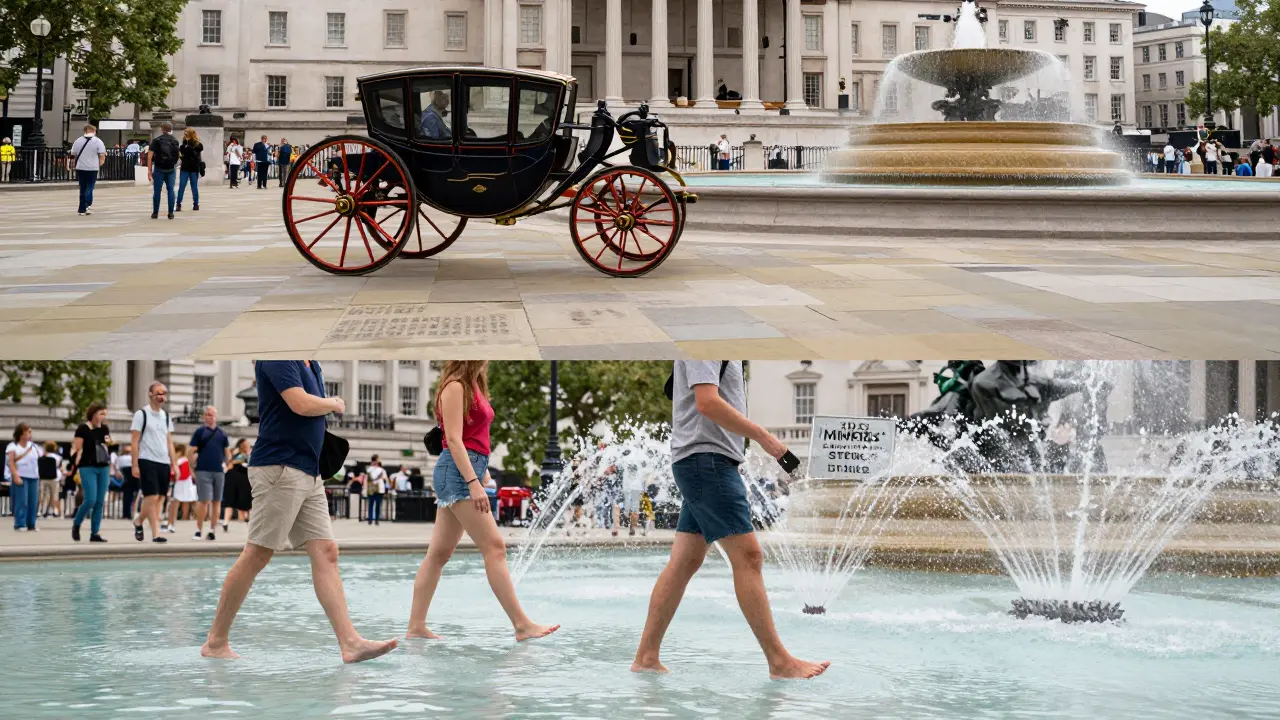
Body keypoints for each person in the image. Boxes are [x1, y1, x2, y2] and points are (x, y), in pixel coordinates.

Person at [632, 360, 828, 680]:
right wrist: (766, 439)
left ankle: (646, 657)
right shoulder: (706, 337)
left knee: (684, 562)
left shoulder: (722, 343)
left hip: (703, 460)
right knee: (748, 556)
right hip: (707, 461)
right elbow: (707, 402)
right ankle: (779, 661)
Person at [201, 360, 398, 663]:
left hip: (308, 469)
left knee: (326, 552)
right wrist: (332, 403)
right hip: (280, 467)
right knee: (258, 553)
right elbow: (300, 404)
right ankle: (215, 641)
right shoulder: (279, 354)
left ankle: (350, 643)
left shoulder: (312, 362)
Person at [406, 361, 559, 643]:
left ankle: (416, 626)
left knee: (438, 554)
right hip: (457, 474)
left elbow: (472, 436)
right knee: (495, 547)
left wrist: (482, 470)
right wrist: (473, 483)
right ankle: (522, 625)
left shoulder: (474, 384)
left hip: (466, 470)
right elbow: (453, 438)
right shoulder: (455, 386)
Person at [131, 382, 178, 543]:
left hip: (163, 461)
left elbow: (169, 442)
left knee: (160, 498)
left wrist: (175, 464)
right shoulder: (141, 414)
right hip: (146, 459)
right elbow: (135, 441)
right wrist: (135, 464)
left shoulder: (166, 417)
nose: (161, 396)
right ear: (150, 394)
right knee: (151, 497)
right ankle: (156, 533)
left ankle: (139, 520)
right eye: (158, 393)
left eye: (164, 393)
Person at [71, 403, 113, 543]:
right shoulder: (83, 428)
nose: (103, 417)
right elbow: (77, 447)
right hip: (87, 466)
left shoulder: (104, 429)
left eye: (104, 414)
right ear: (93, 414)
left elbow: (108, 444)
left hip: (103, 466)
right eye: (101, 414)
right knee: (90, 500)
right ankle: (77, 523)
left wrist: (110, 442)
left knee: (100, 502)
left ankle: (95, 533)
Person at [190, 406, 231, 540]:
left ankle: (212, 530)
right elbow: (191, 450)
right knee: (204, 501)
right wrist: (192, 467)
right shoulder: (200, 432)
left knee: (216, 501)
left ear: (216, 417)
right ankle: (198, 529)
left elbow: (227, 452)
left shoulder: (222, 433)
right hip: (203, 470)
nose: (210, 417)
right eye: (208, 414)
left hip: (218, 471)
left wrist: (227, 465)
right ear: (204, 417)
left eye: (212, 415)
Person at [7, 424, 42, 532]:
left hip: (34, 476)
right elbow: (11, 462)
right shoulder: (13, 446)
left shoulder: (34, 446)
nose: (29, 434)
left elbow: (39, 459)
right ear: (21, 434)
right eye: (27, 432)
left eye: (30, 432)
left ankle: (31, 524)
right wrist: (15, 475)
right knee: (22, 501)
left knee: (33, 501)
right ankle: (20, 523)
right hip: (21, 475)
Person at [67, 125, 107, 216]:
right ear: (94, 131)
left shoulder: (78, 141)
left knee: (82, 187)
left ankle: (81, 208)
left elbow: (73, 154)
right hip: (92, 167)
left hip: (80, 167)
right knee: (90, 187)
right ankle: (87, 204)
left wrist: (73, 164)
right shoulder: (98, 141)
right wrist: (100, 163)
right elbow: (102, 155)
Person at [148, 123, 181, 220]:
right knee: (171, 190)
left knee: (157, 191)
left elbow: (149, 157)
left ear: (161, 129)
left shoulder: (156, 141)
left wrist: (149, 171)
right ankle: (171, 213)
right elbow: (178, 155)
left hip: (159, 169)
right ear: (171, 129)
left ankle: (155, 213)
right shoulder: (175, 140)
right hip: (171, 168)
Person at [221, 438, 253, 532]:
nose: (247, 446)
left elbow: (229, 466)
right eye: (246, 445)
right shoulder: (242, 456)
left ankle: (226, 522)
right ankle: (226, 522)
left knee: (234, 502)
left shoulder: (239, 456)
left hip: (241, 481)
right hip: (238, 481)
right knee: (241, 503)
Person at [168, 444, 198, 533]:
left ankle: (172, 522)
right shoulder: (184, 460)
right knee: (184, 501)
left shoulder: (181, 460)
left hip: (180, 482)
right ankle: (174, 521)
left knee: (176, 502)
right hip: (184, 482)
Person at [177, 128, 204, 212]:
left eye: (186, 133)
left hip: (193, 168)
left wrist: (188, 146)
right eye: (184, 133)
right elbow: (182, 155)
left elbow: (194, 154)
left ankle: (196, 204)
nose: (184, 135)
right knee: (182, 186)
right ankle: (178, 204)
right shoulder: (184, 144)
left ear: (190, 134)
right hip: (185, 167)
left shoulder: (197, 144)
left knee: (194, 187)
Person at [38, 441, 62, 519]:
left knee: (43, 494)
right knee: (54, 494)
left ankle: (41, 510)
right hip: (54, 477)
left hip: (43, 477)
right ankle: (52, 510)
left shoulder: (42, 456)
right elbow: (59, 466)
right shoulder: (58, 457)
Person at [366, 455, 388, 525]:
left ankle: (375, 519)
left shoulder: (381, 470)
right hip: (373, 489)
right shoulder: (369, 469)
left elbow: (385, 478)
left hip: (379, 489)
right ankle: (372, 519)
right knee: (372, 504)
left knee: (375, 504)